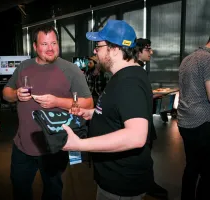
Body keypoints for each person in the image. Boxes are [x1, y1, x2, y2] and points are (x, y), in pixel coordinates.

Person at [62, 20, 154, 200]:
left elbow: (136, 136)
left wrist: (79, 145)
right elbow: (119, 112)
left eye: (99, 46)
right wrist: (93, 114)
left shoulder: (129, 83)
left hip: (121, 185)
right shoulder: (122, 76)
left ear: (114, 49)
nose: (95, 51)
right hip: (114, 178)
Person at [3, 24, 93, 200]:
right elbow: (6, 93)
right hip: (23, 146)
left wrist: (57, 101)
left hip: (54, 147)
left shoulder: (71, 70)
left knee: (53, 193)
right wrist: (15, 94)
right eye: (44, 44)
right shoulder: (23, 67)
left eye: (53, 43)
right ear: (35, 47)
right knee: (20, 192)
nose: (50, 48)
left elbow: (88, 104)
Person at [177, 37, 210, 200]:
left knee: (192, 165)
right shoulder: (208, 59)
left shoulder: (187, 59)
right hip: (203, 121)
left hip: (185, 121)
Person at [137, 38, 168, 199]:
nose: (151, 52)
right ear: (138, 51)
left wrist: (152, 95)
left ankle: (147, 183)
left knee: (147, 155)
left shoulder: (140, 70)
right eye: (148, 49)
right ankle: (145, 185)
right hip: (141, 122)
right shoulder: (136, 71)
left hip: (145, 120)